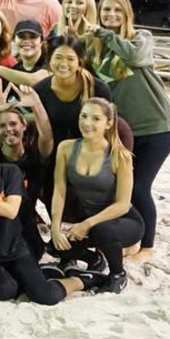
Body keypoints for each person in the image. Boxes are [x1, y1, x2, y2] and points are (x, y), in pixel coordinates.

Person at [0, 125, 99, 304]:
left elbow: (11, 211)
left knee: (45, 296)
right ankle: (46, 273)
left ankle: (81, 279)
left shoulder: (7, 172)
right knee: (6, 291)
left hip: (16, 249)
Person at [85, 0, 170, 262]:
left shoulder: (140, 38)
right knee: (122, 189)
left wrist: (104, 33)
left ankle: (148, 245)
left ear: (127, 14)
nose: (111, 15)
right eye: (105, 10)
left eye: (117, 10)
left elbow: (135, 57)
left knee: (139, 188)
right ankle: (132, 239)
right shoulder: (96, 48)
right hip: (127, 131)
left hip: (157, 126)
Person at [49, 98, 141, 293]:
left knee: (103, 231)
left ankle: (118, 274)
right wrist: (55, 226)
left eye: (96, 118)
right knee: (56, 246)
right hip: (89, 221)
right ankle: (94, 260)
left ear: (108, 123)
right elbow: (59, 189)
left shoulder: (120, 156)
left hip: (124, 221)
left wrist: (87, 224)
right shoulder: (65, 148)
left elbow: (123, 205)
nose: (87, 123)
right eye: (84, 116)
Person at [0, 86, 55, 259]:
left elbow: (47, 136)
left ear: (23, 126)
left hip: (26, 224)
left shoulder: (34, 156)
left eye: (13, 124)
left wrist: (36, 104)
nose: (8, 129)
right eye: (2, 126)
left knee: (33, 256)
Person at [32, 36, 114, 147]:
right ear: (50, 59)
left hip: (91, 151)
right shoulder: (39, 90)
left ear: (79, 62)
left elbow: (109, 130)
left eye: (70, 59)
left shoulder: (98, 89)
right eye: (58, 57)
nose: (63, 63)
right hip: (53, 153)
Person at [0, 19, 51, 86]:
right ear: (14, 40)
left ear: (41, 41)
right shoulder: (14, 70)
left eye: (33, 37)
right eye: (22, 37)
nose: (27, 41)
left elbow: (35, 80)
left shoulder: (51, 62)